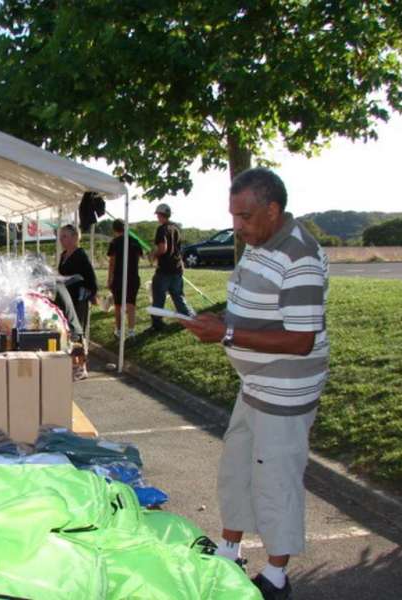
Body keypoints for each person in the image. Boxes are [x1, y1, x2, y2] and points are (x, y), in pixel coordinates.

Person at [180, 168, 329, 600]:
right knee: (238, 467)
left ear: (272, 210)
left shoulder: (299, 256)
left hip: (284, 391)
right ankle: (229, 551)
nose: (237, 227)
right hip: (255, 384)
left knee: (275, 479)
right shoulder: (259, 243)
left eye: (244, 217)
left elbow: (300, 340)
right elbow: (252, 305)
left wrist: (226, 334)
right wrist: (221, 320)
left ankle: (276, 577)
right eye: (233, 217)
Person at [148, 203, 194, 331]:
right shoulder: (176, 228)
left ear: (160, 215)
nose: (157, 217)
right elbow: (178, 249)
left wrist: (153, 254)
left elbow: (163, 248)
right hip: (177, 267)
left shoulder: (161, 229)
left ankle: (157, 324)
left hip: (164, 269)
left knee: (158, 297)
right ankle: (189, 318)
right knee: (178, 296)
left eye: (157, 214)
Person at [57, 224, 97, 338]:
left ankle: (80, 352)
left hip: (78, 299)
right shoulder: (64, 255)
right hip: (66, 297)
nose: (61, 240)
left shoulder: (80, 255)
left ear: (75, 238)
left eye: (64, 236)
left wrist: (92, 294)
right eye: (60, 237)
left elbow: (91, 277)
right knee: (66, 328)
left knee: (77, 329)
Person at [107, 219, 143, 338]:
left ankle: (119, 330)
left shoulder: (114, 242)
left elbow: (112, 262)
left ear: (114, 229)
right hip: (133, 277)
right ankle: (131, 331)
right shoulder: (135, 241)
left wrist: (109, 279)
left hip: (118, 278)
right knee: (131, 304)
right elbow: (138, 259)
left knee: (118, 305)